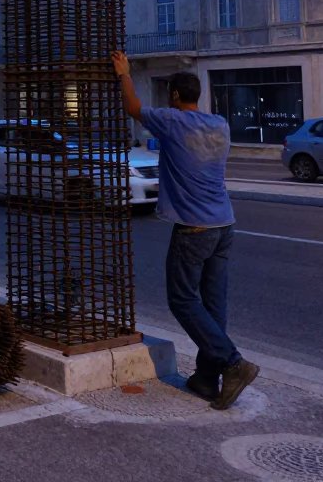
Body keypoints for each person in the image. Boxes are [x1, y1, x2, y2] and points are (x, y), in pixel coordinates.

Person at [111, 50, 259, 411]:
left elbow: (132, 108)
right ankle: (207, 380)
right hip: (224, 225)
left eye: (170, 95)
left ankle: (233, 364)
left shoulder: (173, 121)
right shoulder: (220, 124)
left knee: (181, 299)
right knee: (213, 305)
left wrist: (124, 75)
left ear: (175, 96)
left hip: (193, 228)